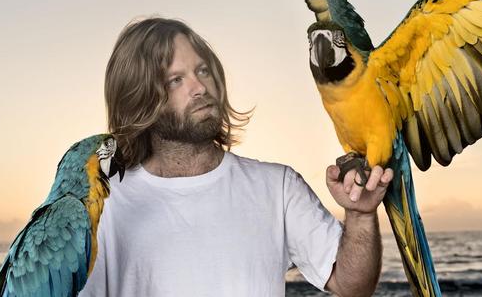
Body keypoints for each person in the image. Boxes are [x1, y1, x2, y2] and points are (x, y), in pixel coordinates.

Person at [79, 17, 393, 297]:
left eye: (202, 70)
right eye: (175, 80)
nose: (200, 87)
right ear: (139, 98)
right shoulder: (102, 206)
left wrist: (361, 216)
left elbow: (352, 285)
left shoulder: (278, 187)